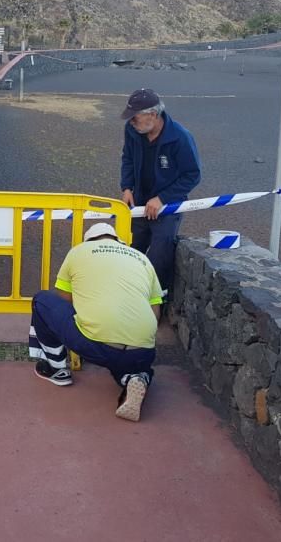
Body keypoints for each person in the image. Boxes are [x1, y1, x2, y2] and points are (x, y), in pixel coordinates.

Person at [30, 223, 163, 422]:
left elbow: (65, 300)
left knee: (42, 301)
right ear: (117, 240)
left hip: (97, 345)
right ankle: (135, 377)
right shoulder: (142, 259)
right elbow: (156, 312)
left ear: (88, 240)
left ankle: (57, 369)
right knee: (125, 362)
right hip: (144, 350)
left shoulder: (78, 252)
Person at [120, 88, 201, 313]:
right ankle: (127, 299)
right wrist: (126, 187)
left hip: (167, 207)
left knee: (159, 254)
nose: (131, 121)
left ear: (153, 115)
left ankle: (155, 307)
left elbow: (192, 175)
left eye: (135, 116)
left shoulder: (180, 138)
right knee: (131, 251)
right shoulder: (132, 130)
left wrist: (162, 199)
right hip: (138, 205)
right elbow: (127, 158)